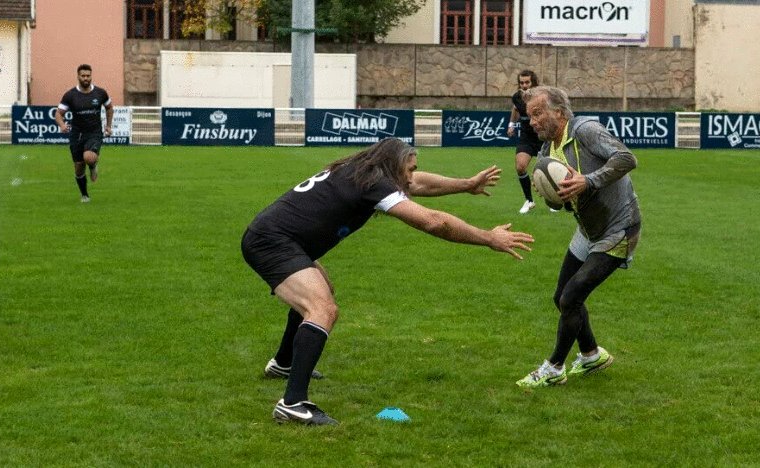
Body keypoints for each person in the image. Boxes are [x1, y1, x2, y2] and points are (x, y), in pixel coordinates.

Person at [242, 138, 535, 425]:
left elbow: (417, 183)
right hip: (273, 242)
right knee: (322, 308)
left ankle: (283, 363)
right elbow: (433, 221)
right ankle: (292, 404)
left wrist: (466, 185)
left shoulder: (362, 170)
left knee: (319, 292)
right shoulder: (373, 183)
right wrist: (488, 237)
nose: (410, 176)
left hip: (280, 236)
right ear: (393, 166)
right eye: (408, 169)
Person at [515, 86, 641, 388]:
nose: (531, 121)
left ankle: (554, 368)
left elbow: (626, 158)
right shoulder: (546, 152)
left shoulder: (585, 130)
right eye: (529, 116)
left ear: (559, 112)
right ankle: (591, 355)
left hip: (618, 229)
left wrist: (588, 180)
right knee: (561, 297)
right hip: (587, 230)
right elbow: (557, 203)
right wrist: (548, 193)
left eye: (537, 113)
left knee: (572, 297)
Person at [55, 64, 113, 203]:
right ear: (78, 76)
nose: (86, 78)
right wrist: (62, 125)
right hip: (77, 134)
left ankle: (93, 165)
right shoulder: (70, 95)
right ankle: (85, 195)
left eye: (88, 76)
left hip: (94, 132)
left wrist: (108, 126)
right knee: (79, 168)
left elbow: (109, 108)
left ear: (91, 76)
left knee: (89, 157)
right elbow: (58, 113)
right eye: (83, 76)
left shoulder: (100, 93)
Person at [506, 70, 541, 214]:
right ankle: (529, 200)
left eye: (527, 82)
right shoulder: (517, 97)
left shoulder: (541, 96)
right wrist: (511, 125)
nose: (524, 85)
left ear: (533, 82)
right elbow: (515, 109)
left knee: (547, 171)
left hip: (542, 137)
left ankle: (554, 200)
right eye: (522, 83)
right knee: (520, 167)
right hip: (526, 137)